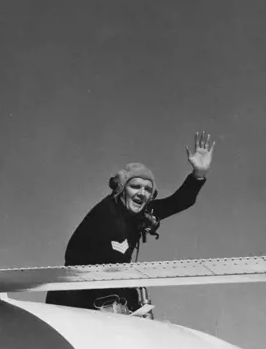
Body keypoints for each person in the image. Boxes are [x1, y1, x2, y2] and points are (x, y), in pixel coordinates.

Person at [46, 130, 215, 313]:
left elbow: (178, 202)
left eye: (148, 189)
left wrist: (199, 173)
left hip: (105, 298)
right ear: (120, 188)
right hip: (75, 305)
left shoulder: (139, 213)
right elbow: (99, 265)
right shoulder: (105, 216)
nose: (142, 193)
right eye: (135, 187)